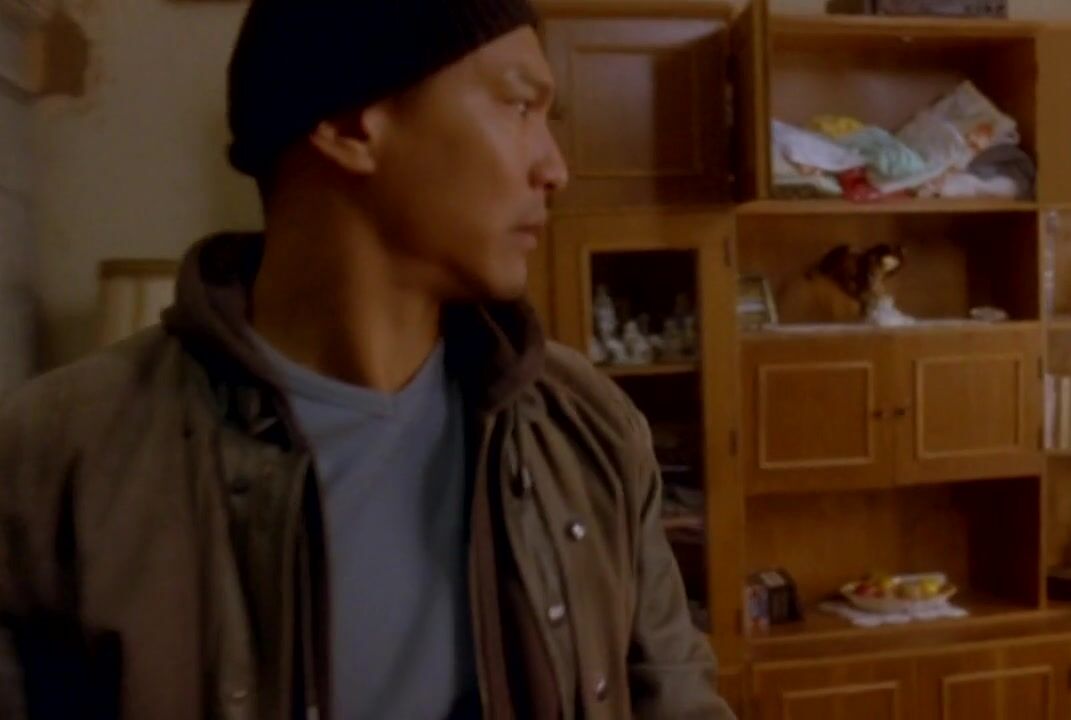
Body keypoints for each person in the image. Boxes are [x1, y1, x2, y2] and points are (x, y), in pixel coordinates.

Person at [0, 0, 734, 718]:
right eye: (518, 106)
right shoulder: (58, 458)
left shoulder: (589, 429)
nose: (555, 168)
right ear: (350, 125)